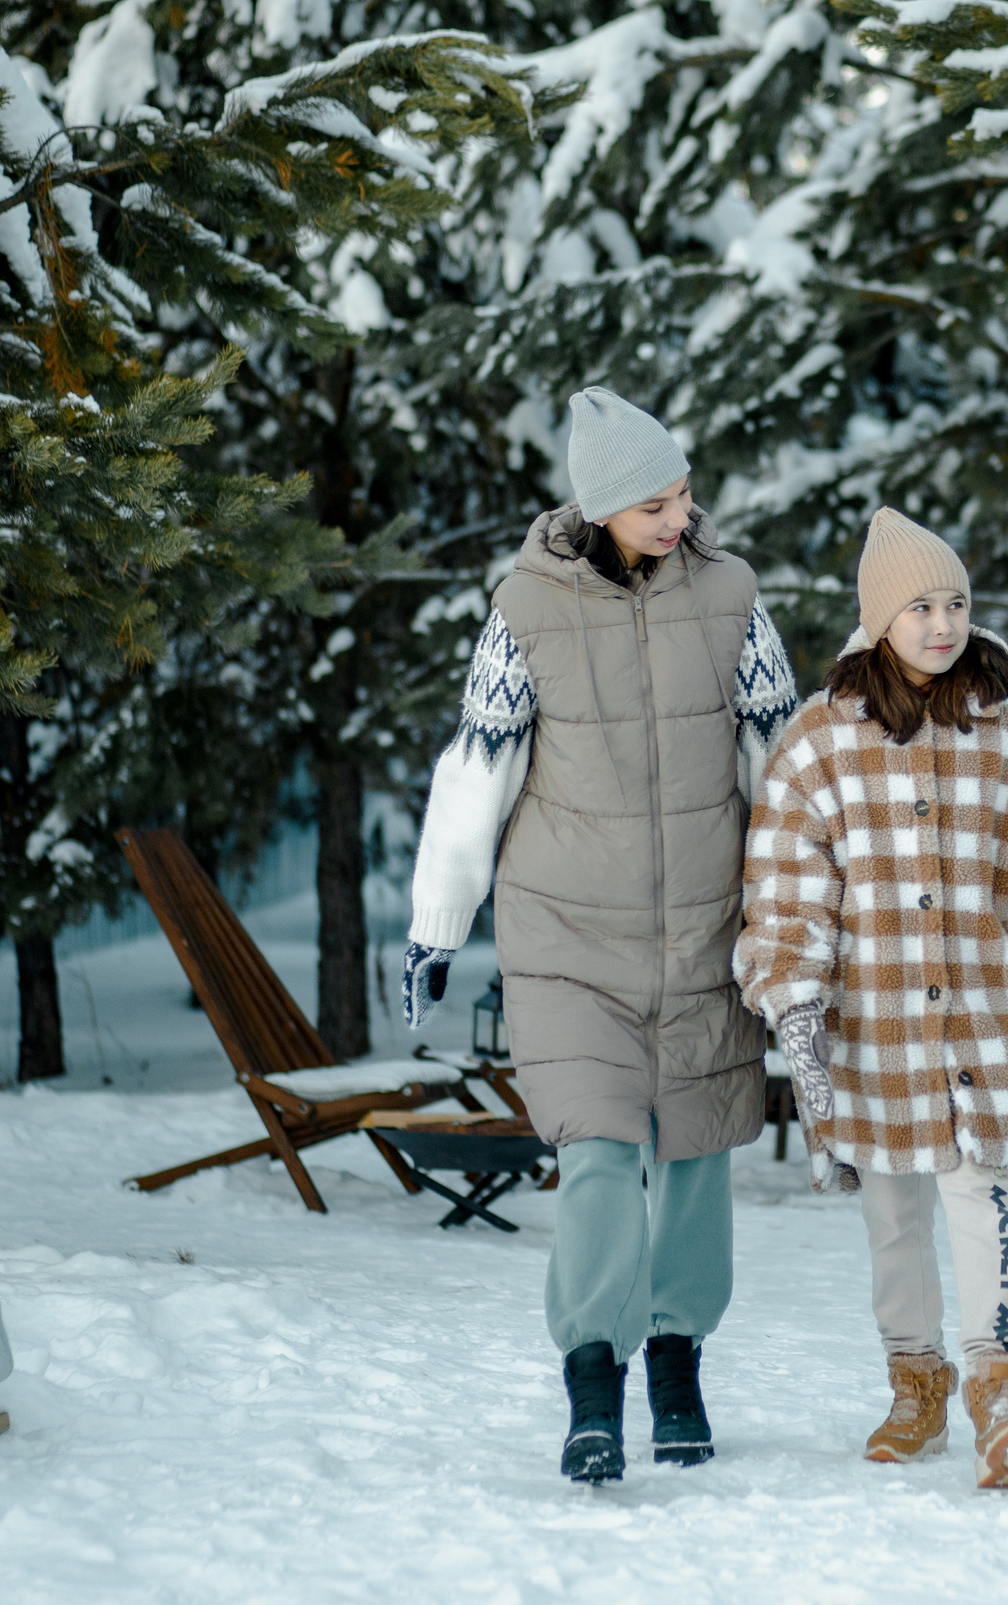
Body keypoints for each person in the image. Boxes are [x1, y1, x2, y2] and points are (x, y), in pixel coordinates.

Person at [400, 387, 798, 1485]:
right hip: (569, 937)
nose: (680, 518)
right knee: (600, 1158)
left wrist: (807, 912)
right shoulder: (526, 607)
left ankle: (677, 1361)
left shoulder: (733, 596)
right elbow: (478, 768)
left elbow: (781, 760)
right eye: (654, 504)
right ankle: (592, 1380)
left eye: (684, 495)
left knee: (698, 1160)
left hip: (706, 931)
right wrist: (437, 925)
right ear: (599, 507)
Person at [735, 507, 1008, 1491]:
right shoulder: (818, 743)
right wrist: (796, 1010)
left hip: (988, 1027)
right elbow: (787, 889)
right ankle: (915, 1385)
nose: (944, 623)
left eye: (955, 602)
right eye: (921, 607)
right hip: (873, 1032)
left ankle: (1001, 1392)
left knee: (981, 1194)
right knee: (895, 1217)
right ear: (880, 619)